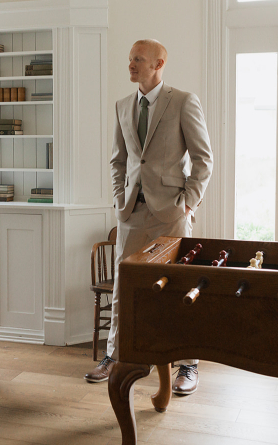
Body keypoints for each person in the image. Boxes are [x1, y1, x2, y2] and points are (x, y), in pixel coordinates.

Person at [84, 39, 213, 396]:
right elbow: (119, 161)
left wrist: (187, 203)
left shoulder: (183, 101)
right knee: (125, 285)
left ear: (158, 63)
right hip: (130, 213)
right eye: (129, 60)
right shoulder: (123, 106)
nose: (130, 65)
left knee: (177, 288)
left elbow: (204, 159)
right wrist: (119, 199)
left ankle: (187, 364)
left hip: (170, 213)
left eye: (137, 60)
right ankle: (115, 354)